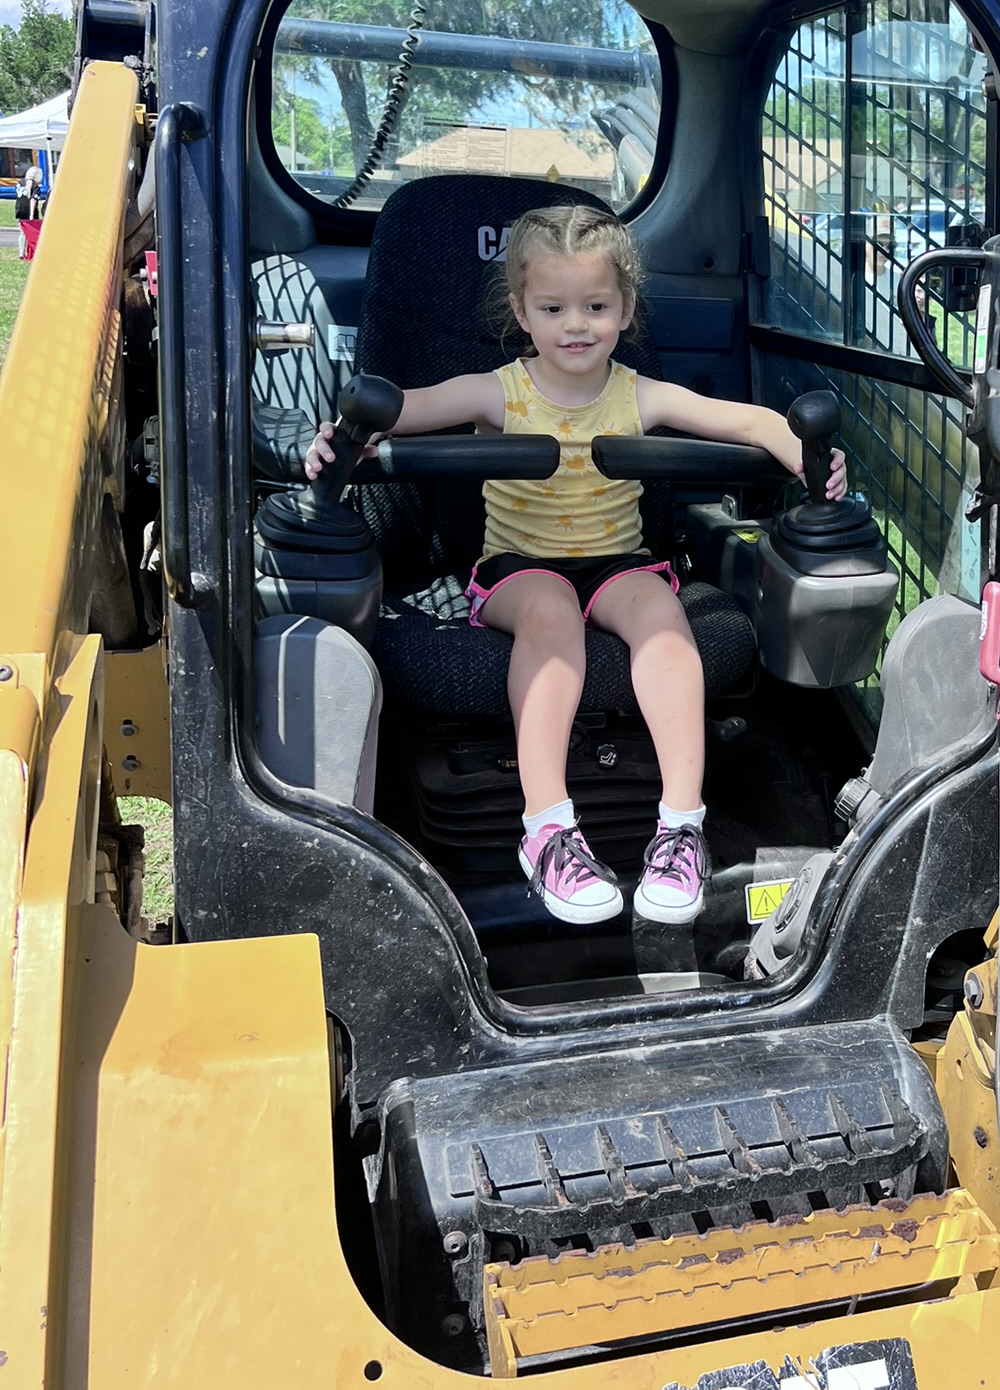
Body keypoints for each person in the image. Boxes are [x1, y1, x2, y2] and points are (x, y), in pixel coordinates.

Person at [306, 203, 847, 930]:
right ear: (522, 314)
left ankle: (680, 829)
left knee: (664, 622)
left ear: (625, 310)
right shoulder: (498, 390)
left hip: (620, 565)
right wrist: (342, 436)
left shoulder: (638, 394)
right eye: (553, 307)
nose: (575, 324)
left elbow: (746, 422)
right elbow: (401, 409)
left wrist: (806, 455)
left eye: (595, 306)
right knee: (550, 614)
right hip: (518, 569)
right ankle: (549, 830)